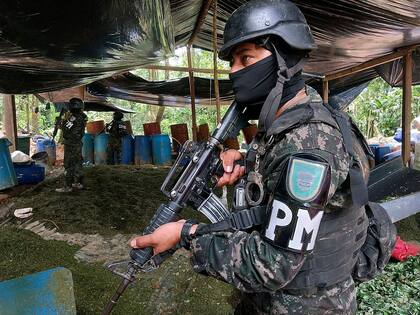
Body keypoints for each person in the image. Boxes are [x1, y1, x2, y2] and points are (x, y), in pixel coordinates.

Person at [130, 1, 375, 314]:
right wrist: (248, 167)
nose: (234, 71)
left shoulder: (309, 146)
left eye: (246, 58)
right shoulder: (293, 122)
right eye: (232, 61)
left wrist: (186, 236)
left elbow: (273, 264)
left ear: (284, 59)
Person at [55, 98, 88, 193]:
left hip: (71, 144)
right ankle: (78, 183)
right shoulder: (83, 116)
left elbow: (66, 129)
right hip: (78, 143)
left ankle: (67, 186)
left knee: (69, 164)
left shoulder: (73, 117)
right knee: (78, 162)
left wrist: (60, 123)